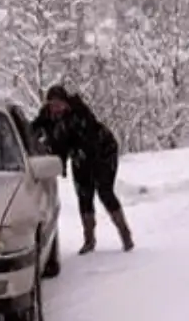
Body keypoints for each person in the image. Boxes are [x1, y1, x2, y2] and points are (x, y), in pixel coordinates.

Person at [32, 85, 134, 254]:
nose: (56, 108)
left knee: (104, 191)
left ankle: (125, 235)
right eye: (52, 104)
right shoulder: (46, 118)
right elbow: (34, 131)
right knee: (84, 195)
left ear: (66, 103)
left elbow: (89, 139)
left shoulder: (80, 113)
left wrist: (81, 156)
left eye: (59, 104)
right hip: (79, 156)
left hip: (103, 152)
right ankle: (89, 239)